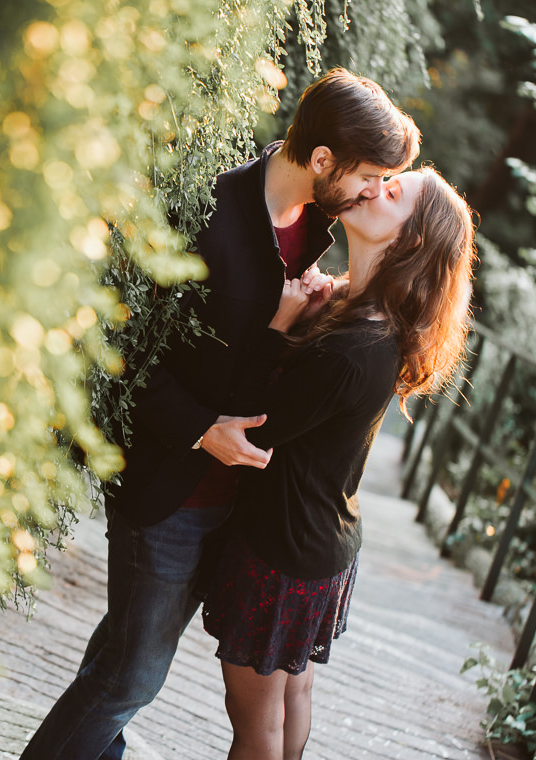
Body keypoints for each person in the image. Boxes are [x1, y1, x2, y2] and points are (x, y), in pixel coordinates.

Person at [20, 69, 421, 760]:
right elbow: (116, 348)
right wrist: (203, 426)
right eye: (369, 177)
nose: (372, 193)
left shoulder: (324, 227)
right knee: (131, 678)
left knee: (123, 662)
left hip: (242, 512)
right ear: (322, 160)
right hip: (175, 490)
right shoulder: (207, 209)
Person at [200, 166, 478, 760]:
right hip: (322, 541)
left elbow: (255, 427)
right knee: (290, 695)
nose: (377, 185)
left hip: (283, 550)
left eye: (395, 192)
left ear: (410, 241)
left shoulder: (355, 346)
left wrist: (278, 326)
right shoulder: (365, 312)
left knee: (255, 724)